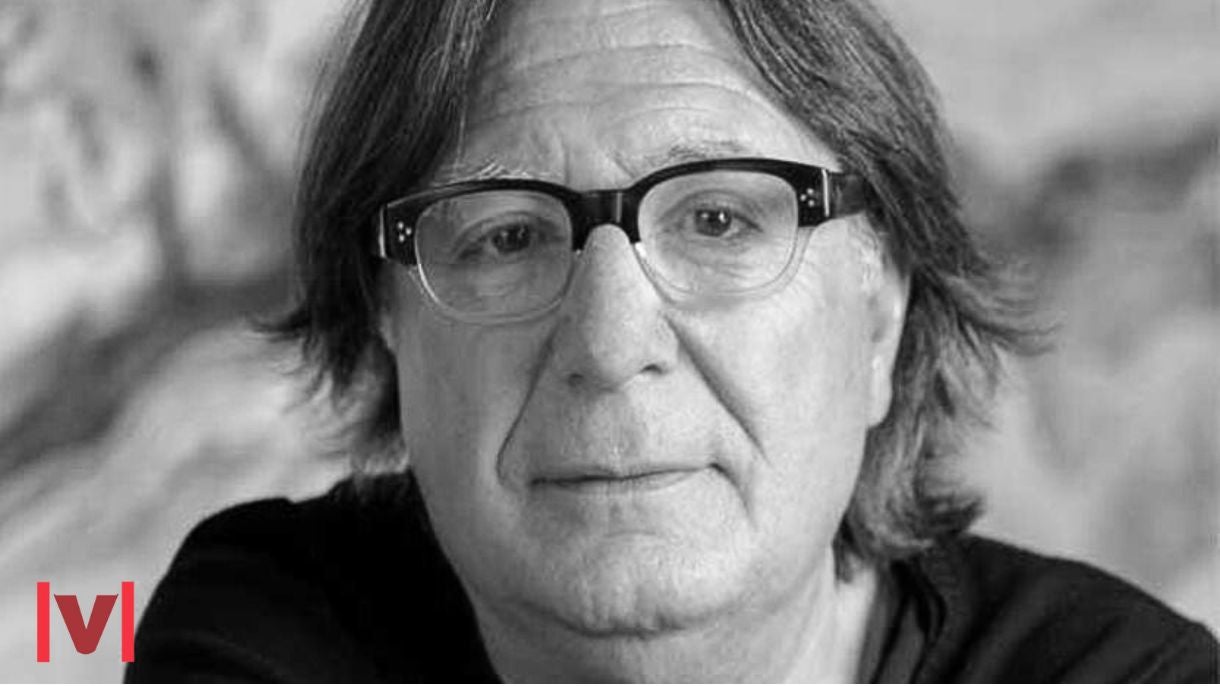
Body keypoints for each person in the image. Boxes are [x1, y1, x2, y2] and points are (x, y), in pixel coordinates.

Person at [127, 0, 1218, 681]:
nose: (609, 342)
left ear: (879, 312)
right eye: (507, 236)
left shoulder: (1125, 677)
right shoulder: (269, 626)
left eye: (719, 220)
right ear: (390, 321)